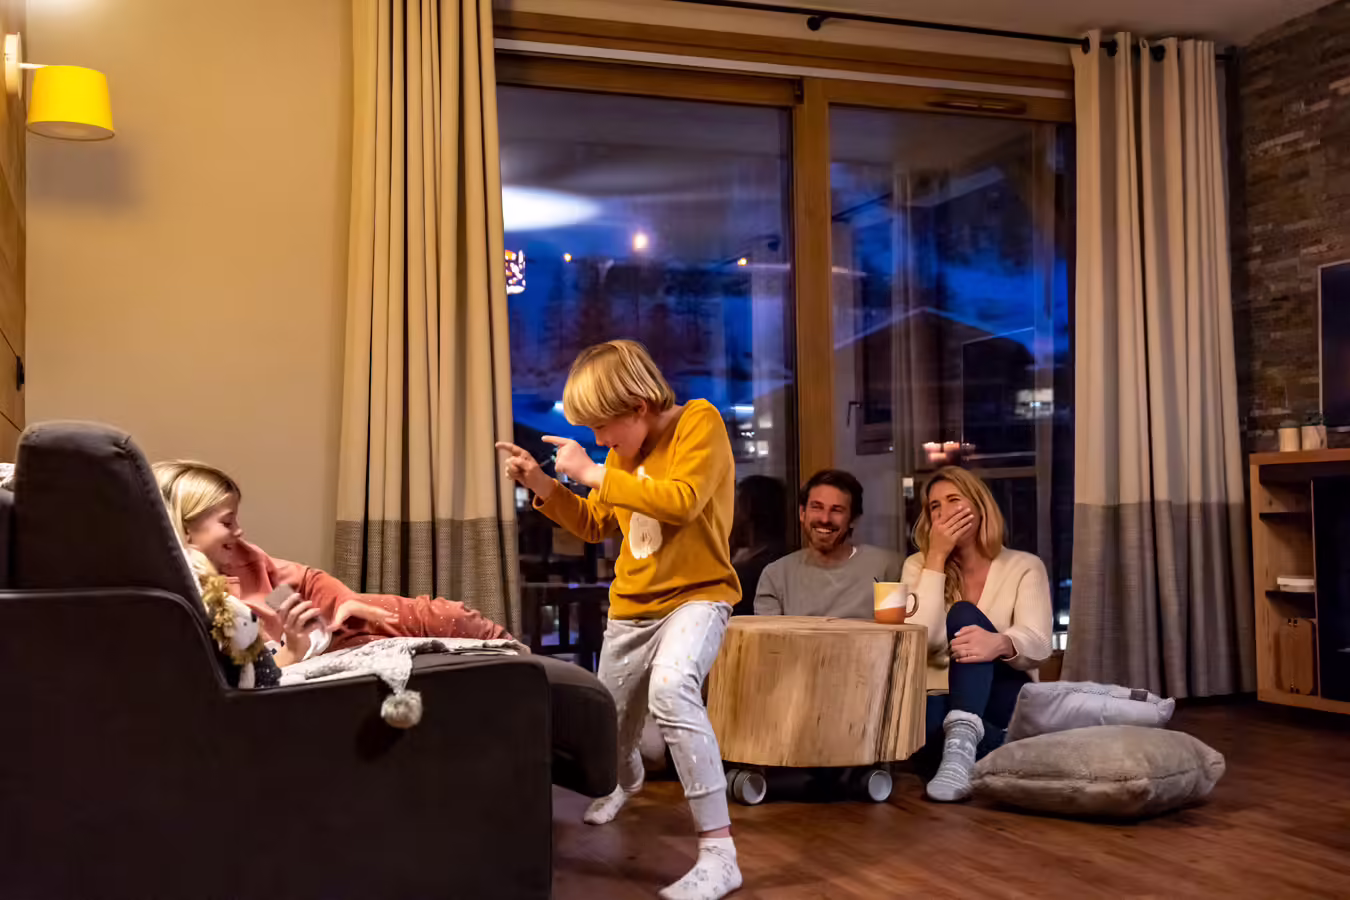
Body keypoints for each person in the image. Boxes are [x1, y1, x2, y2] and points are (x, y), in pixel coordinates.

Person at [497, 339, 742, 900]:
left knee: (673, 688)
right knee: (608, 733)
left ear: (638, 405)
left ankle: (719, 853)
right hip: (632, 608)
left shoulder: (699, 423)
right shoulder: (620, 456)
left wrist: (592, 471)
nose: (599, 440)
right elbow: (594, 524)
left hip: (698, 596)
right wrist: (542, 484)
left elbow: (681, 500)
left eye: (602, 427)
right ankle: (626, 782)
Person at [153, 460, 509, 666]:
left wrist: (343, 600)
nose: (239, 530)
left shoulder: (243, 559)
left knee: (446, 614)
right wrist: (292, 650)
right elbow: (253, 675)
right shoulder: (188, 602)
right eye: (227, 522)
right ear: (185, 529)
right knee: (388, 641)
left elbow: (300, 581)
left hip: (329, 622)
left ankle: (517, 656)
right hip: (308, 648)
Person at [903, 466, 1052, 802]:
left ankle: (965, 742)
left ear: (980, 506)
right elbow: (923, 641)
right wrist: (936, 558)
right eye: (935, 506)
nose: (943, 512)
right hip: (938, 696)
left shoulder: (1024, 565)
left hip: (1003, 693)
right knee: (924, 724)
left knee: (964, 614)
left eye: (953, 500)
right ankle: (986, 751)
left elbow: (1040, 644)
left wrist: (1000, 643)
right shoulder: (917, 566)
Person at [754, 469, 901, 619]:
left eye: (837, 510)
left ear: (853, 519)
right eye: (817, 507)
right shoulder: (776, 576)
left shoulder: (887, 568)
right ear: (802, 513)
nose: (825, 519)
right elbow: (768, 634)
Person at [729, 475, 787, 615]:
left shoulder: (765, 565)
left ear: (748, 511)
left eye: (736, 505)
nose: (731, 512)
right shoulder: (741, 554)